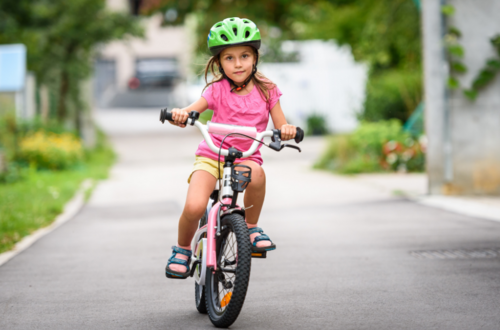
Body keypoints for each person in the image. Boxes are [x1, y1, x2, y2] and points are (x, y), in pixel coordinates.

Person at [165, 17, 297, 279]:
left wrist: (287, 130)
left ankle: (250, 227)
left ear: (255, 57)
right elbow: (192, 111)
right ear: (219, 62)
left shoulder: (268, 90)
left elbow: (281, 125)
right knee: (193, 207)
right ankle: (181, 250)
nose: (238, 64)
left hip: (245, 158)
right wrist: (181, 115)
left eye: (245, 55)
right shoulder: (216, 90)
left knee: (257, 174)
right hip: (211, 156)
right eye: (229, 58)